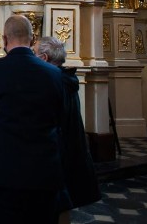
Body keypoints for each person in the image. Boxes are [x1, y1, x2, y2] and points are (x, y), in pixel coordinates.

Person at [0, 15, 65, 224]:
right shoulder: (55, 74)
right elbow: (60, 118)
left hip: (4, 172)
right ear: (32, 39)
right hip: (44, 171)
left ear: (4, 39)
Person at [35, 36, 101, 222]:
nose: (32, 57)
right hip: (68, 150)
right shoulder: (65, 78)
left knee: (58, 205)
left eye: (34, 53)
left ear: (44, 58)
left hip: (59, 153)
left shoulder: (55, 82)